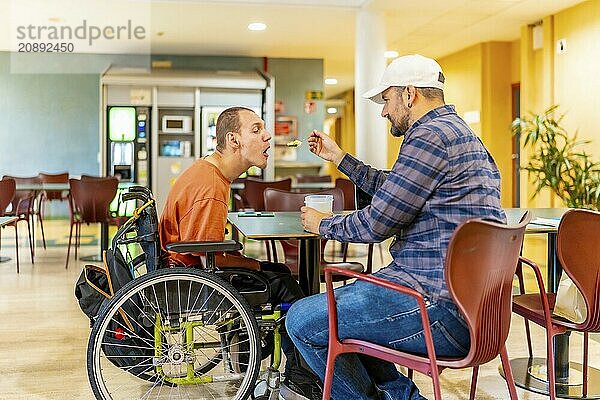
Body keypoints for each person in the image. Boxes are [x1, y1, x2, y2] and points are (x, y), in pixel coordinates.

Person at [286, 54, 507, 400]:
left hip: (436, 308)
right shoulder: (460, 134)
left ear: (408, 94)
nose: (383, 111)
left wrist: (324, 225)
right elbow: (397, 188)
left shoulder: (428, 138)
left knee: (303, 320)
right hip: (476, 310)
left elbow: (377, 224)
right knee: (342, 316)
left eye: (386, 100)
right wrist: (340, 158)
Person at [159, 106, 321, 399]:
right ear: (234, 140)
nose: (268, 136)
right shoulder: (210, 184)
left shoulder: (208, 172)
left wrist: (251, 263)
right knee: (283, 283)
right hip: (194, 279)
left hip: (184, 270)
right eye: (257, 130)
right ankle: (303, 381)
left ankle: (255, 357)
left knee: (278, 272)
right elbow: (205, 251)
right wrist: (251, 264)